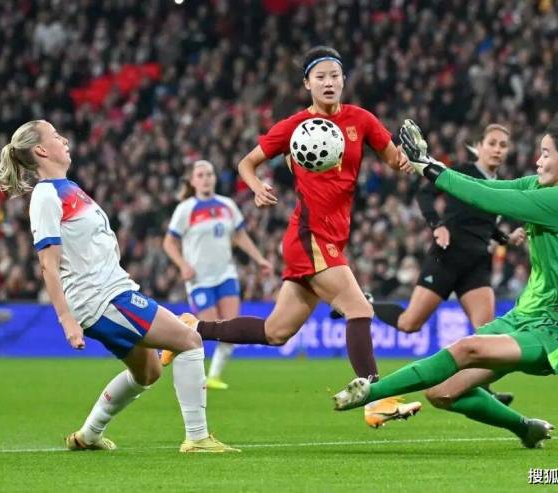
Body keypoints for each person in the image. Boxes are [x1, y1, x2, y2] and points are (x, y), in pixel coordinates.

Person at [175, 45, 420, 427]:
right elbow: (246, 163)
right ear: (307, 83)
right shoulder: (293, 126)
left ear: (344, 80)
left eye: (334, 76)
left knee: (276, 332)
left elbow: (393, 159)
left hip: (331, 238)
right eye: (320, 77)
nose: (328, 82)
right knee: (360, 310)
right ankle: (376, 399)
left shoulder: (361, 120)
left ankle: (190, 328)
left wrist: (408, 159)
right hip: (309, 236)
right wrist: (256, 187)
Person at [333, 119, 558, 448]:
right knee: (441, 392)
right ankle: (525, 429)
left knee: (467, 348)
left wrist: (428, 168)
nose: (538, 161)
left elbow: (487, 199)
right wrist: (429, 164)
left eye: (545, 154)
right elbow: (487, 188)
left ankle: (371, 392)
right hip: (527, 316)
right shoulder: (545, 188)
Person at [0, 120, 237, 453]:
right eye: (56, 136)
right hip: (101, 298)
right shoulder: (47, 195)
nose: (64, 140)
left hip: (113, 291)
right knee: (189, 340)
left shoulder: (68, 187)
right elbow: (48, 263)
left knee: (148, 372)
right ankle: (196, 437)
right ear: (41, 150)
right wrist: (67, 319)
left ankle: (88, 435)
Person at [341, 124, 525, 405]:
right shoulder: (461, 171)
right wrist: (437, 225)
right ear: (479, 145)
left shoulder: (499, 184)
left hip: (477, 263)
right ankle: (367, 303)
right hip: (447, 256)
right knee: (409, 323)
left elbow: (484, 224)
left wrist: (506, 238)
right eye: (492, 143)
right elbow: (425, 194)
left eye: (503, 145)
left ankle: (484, 390)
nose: (498, 149)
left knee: (488, 331)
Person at [160, 160, 273, 389]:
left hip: (226, 275)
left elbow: (240, 236)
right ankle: (176, 339)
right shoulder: (186, 209)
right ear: (192, 181)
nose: (206, 179)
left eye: (209, 174)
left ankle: (213, 376)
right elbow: (169, 242)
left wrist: (259, 259)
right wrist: (182, 265)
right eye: (200, 175)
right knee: (207, 327)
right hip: (199, 279)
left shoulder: (227, 205)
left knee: (231, 328)